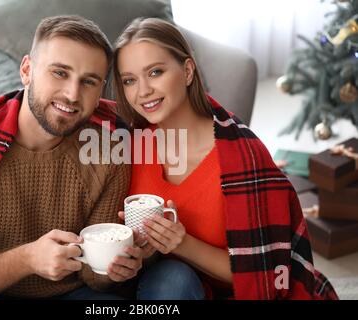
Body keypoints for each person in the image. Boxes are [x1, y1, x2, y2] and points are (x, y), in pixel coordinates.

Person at [0, 15, 143, 300]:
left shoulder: (110, 146)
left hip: (72, 293)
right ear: (27, 70)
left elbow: (93, 277)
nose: (72, 94)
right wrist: (27, 259)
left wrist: (114, 268)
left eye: (89, 82)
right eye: (59, 72)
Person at [113, 17, 338, 300]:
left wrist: (182, 243)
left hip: (230, 292)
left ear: (187, 71)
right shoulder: (132, 141)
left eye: (155, 72)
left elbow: (266, 274)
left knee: (175, 280)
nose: (142, 91)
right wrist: (140, 251)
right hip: (161, 283)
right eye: (129, 80)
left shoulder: (243, 158)